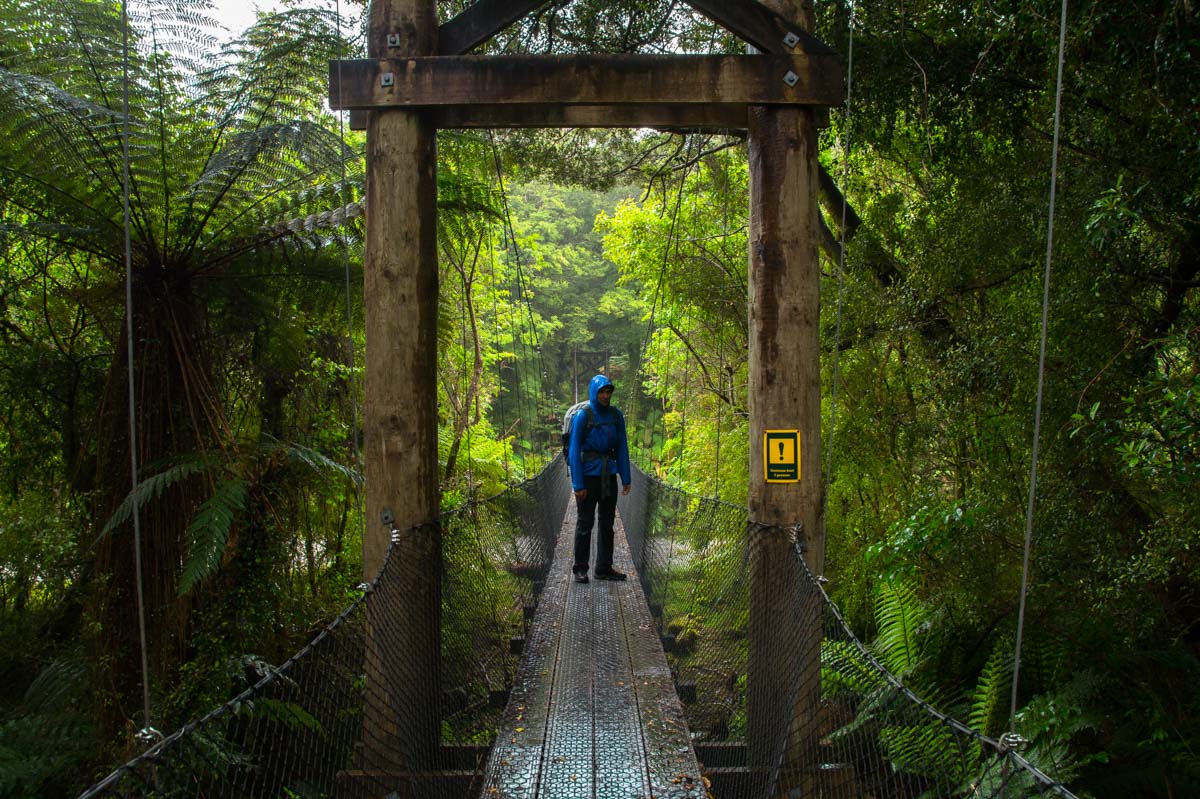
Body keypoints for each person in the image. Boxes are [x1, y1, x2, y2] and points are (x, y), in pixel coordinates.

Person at [567, 374, 632, 583]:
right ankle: (580, 569)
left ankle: (603, 568)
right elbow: (574, 450)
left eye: (608, 392)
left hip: (608, 477)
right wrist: (578, 484)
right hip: (588, 477)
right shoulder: (582, 416)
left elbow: (622, 446)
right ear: (594, 393)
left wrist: (626, 476)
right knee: (585, 523)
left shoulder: (616, 416)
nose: (605, 396)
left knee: (607, 523)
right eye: (601, 392)